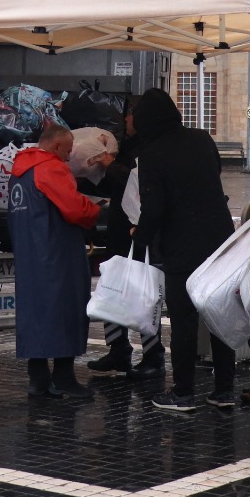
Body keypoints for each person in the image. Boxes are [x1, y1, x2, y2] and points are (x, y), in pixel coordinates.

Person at [128, 89, 236, 413]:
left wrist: (139, 240)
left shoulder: (151, 153)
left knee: (184, 319)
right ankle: (224, 390)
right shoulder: (203, 139)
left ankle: (183, 392)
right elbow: (212, 179)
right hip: (219, 241)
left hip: (182, 246)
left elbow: (154, 208)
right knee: (219, 316)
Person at [9, 124, 102, 399]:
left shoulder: (20, 170)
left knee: (35, 313)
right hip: (58, 253)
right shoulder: (51, 168)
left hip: (29, 253)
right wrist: (96, 209)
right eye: (68, 150)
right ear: (56, 147)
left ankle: (38, 378)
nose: (69, 156)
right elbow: (74, 209)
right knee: (67, 310)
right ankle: (64, 378)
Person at [87, 98, 165, 380]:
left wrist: (111, 165)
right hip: (121, 229)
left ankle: (153, 354)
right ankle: (117, 349)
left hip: (140, 231)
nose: (125, 119)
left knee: (144, 292)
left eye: (130, 114)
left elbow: (139, 181)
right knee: (112, 287)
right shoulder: (127, 143)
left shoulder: (151, 146)